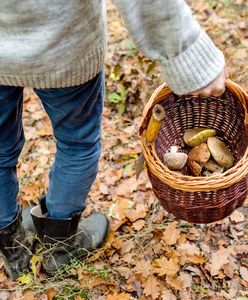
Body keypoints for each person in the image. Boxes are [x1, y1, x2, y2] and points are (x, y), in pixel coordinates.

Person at [0, 0, 227, 279]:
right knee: (76, 144)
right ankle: (59, 248)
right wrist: (187, 52)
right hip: (62, 45)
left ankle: (14, 251)